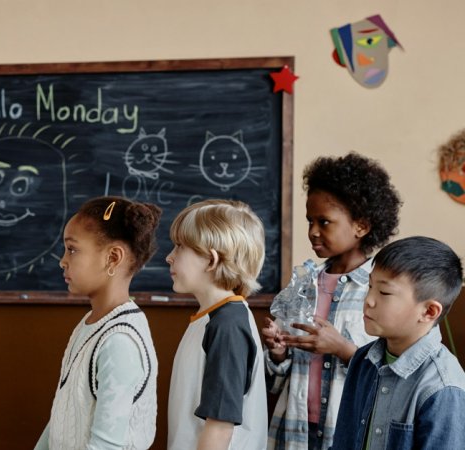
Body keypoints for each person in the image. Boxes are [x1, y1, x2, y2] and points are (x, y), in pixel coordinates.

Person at [262, 152, 402, 450]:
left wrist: (343, 350)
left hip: (347, 434)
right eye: (310, 221)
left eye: (324, 222)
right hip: (295, 433)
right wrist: (277, 353)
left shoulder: (382, 292)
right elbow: (276, 383)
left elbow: (393, 380)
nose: (312, 231)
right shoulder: (301, 286)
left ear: (361, 226)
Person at [35, 196, 161, 450]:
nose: (63, 260)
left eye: (72, 249)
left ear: (113, 258)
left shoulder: (120, 341)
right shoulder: (92, 323)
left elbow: (107, 446)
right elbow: (62, 416)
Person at [331, 236, 465, 449]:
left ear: (429, 311)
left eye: (384, 292)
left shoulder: (442, 386)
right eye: (370, 286)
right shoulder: (362, 360)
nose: (369, 300)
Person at [166, 199, 268, 450]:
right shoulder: (212, 318)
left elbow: (220, 427)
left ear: (211, 260)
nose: (169, 257)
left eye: (179, 247)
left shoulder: (227, 325)